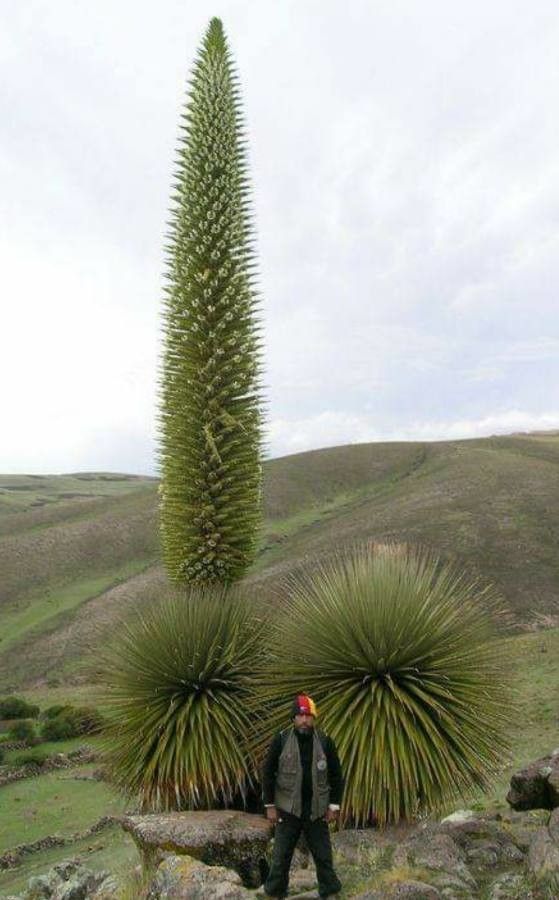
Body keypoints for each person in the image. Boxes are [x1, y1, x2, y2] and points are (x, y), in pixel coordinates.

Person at [261, 693, 343, 899]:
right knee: (280, 857)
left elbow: (336, 775)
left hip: (316, 811)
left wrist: (334, 806)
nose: (305, 721)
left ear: (314, 718)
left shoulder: (325, 742)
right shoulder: (280, 740)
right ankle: (274, 893)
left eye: (309, 716)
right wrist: (269, 805)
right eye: (300, 716)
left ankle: (330, 891)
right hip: (287, 810)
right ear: (293, 719)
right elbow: (267, 772)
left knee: (323, 857)